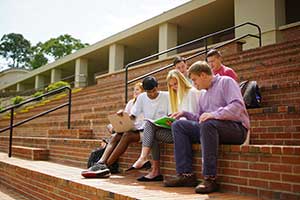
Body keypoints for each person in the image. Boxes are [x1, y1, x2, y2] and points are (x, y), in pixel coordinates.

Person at [164, 61, 249, 194]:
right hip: (211, 128)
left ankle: (210, 178)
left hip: (236, 129)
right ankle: (185, 175)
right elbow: (199, 117)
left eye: (194, 80)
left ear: (203, 75)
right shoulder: (203, 93)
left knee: (208, 124)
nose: (193, 83)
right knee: (179, 125)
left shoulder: (226, 82)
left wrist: (213, 115)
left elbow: (237, 106)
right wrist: (185, 114)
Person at [129, 69, 200, 182]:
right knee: (150, 127)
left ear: (182, 80)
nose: (174, 87)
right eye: (171, 85)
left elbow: (195, 117)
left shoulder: (191, 93)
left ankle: (145, 160)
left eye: (176, 84)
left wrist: (180, 117)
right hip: (176, 131)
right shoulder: (175, 96)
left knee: (150, 129)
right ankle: (148, 163)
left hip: (189, 132)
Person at [81, 82, 144, 178]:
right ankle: (100, 163)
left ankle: (106, 167)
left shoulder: (145, 103)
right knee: (116, 135)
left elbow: (142, 122)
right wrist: (121, 115)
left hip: (141, 131)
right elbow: (126, 118)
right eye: (134, 89)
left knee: (126, 135)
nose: (135, 92)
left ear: (143, 91)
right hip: (130, 129)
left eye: (138, 89)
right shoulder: (131, 103)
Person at [125, 76, 170, 175]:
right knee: (150, 129)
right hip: (152, 130)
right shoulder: (142, 97)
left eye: (154, 91)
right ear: (145, 91)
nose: (152, 94)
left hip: (166, 130)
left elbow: (171, 116)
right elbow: (133, 115)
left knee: (149, 126)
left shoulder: (167, 96)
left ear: (157, 87)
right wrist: (122, 118)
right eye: (149, 92)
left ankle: (144, 159)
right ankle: (155, 171)